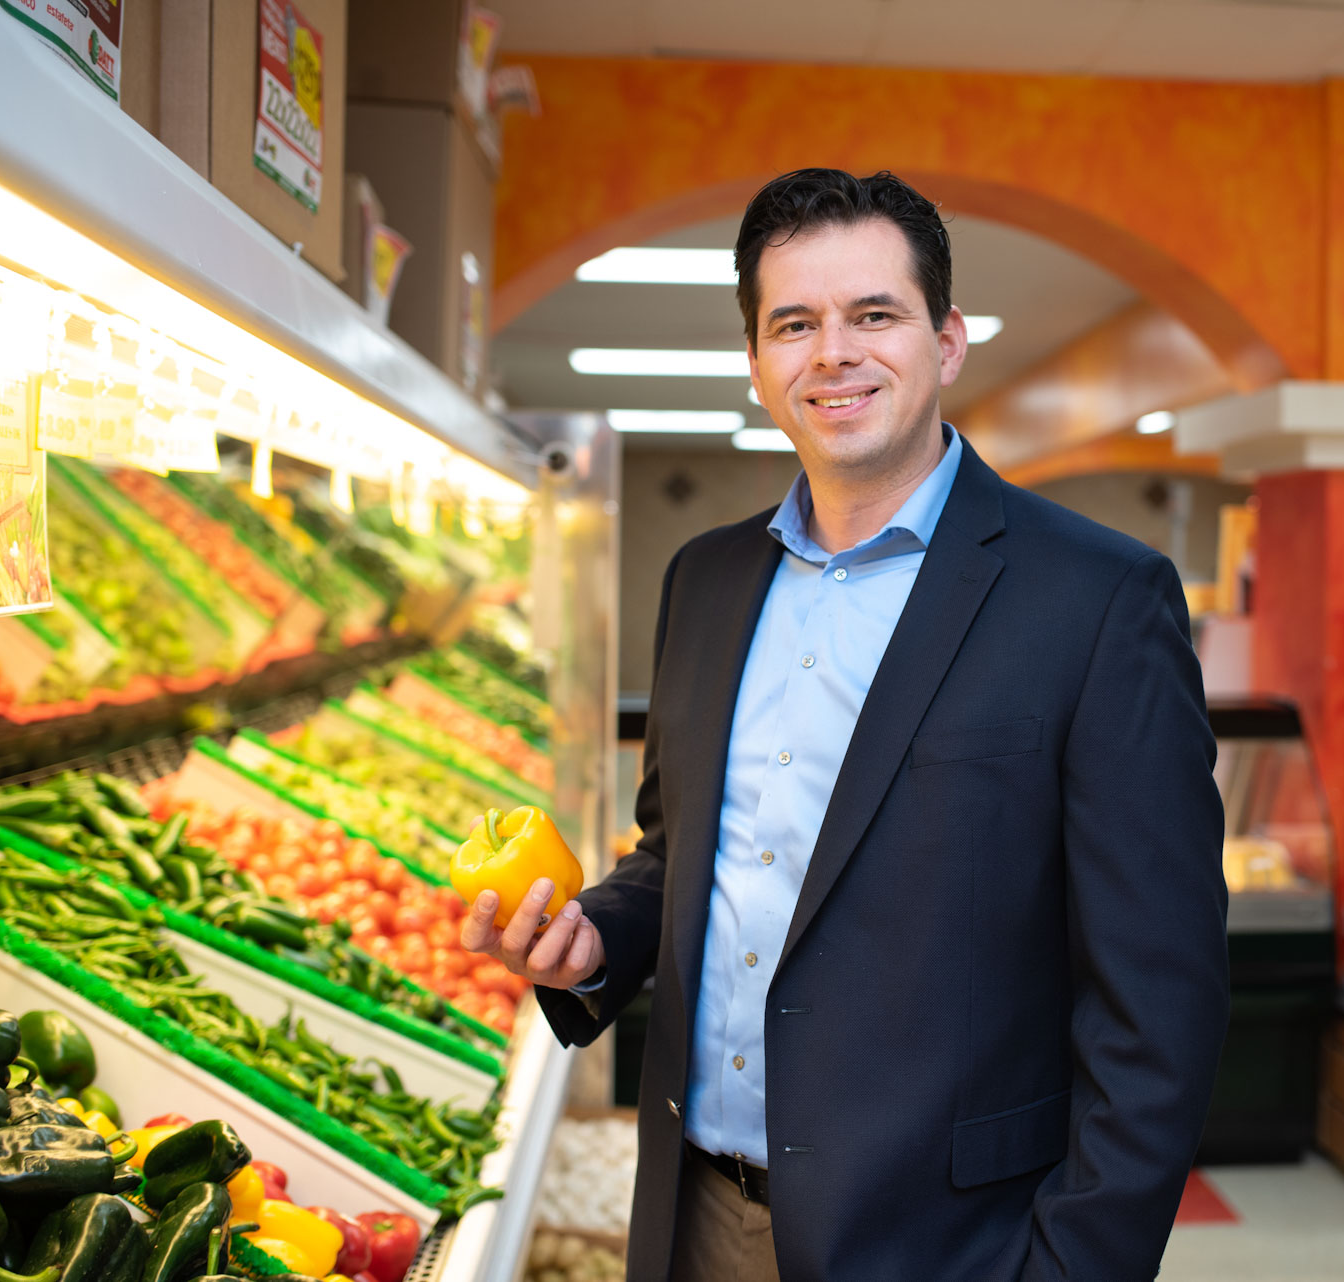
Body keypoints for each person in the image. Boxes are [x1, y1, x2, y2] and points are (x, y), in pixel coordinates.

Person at [460, 168, 1229, 1282]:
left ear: (947, 340)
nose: (835, 352)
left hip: (952, 1242)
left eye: (874, 314)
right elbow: (680, 852)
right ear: (758, 364)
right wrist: (591, 948)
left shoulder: (1098, 598)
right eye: (795, 324)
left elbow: (1161, 999)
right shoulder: (705, 579)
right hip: (697, 1215)